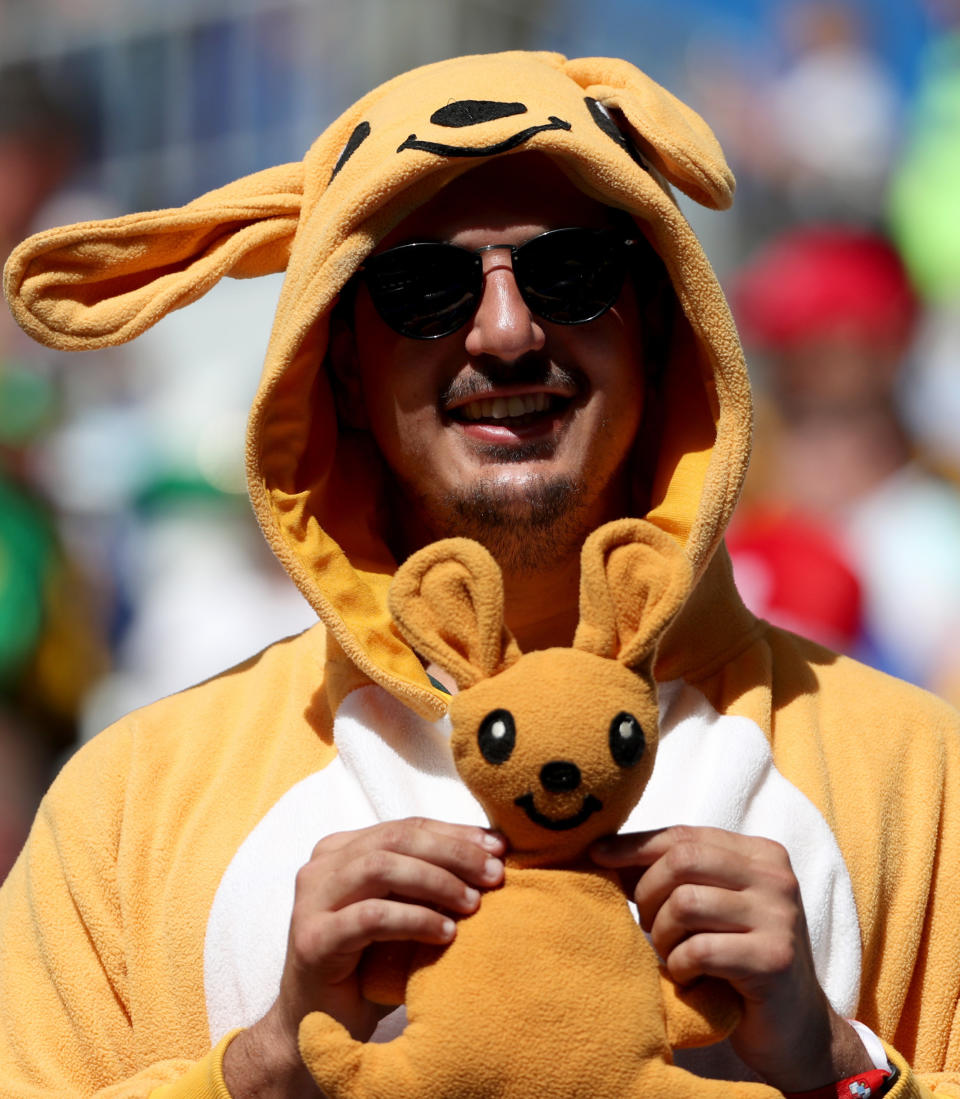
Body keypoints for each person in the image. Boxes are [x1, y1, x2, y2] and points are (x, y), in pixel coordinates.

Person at [1, 50, 958, 1099]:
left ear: (657, 322)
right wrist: (266, 1068)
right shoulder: (133, 803)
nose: (506, 330)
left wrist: (843, 1071)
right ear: (344, 364)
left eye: (568, 273)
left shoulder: (920, 777)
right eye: (421, 287)